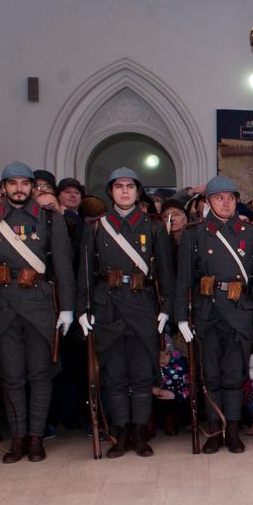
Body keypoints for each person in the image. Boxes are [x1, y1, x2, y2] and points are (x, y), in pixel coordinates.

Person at [0, 161, 76, 463]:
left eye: (24, 183)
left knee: (40, 375)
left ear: (33, 187)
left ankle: (36, 437)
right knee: (12, 376)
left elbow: (63, 267)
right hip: (3, 305)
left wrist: (67, 308)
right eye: (12, 183)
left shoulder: (49, 219)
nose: (19, 189)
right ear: (3, 188)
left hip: (40, 304)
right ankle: (17, 437)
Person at [77, 167, 174, 457]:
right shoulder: (96, 226)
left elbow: (166, 272)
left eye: (130, 186)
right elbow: (84, 272)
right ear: (110, 192)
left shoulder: (154, 226)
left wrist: (166, 308)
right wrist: (84, 308)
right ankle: (120, 433)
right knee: (116, 374)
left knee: (143, 375)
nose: (124, 191)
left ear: (137, 191)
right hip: (108, 307)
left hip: (143, 306)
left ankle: (139, 433)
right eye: (118, 186)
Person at [175, 175, 253, 454]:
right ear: (208, 202)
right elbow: (184, 279)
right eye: (219, 198)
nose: (226, 203)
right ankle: (215, 430)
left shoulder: (250, 233)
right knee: (212, 375)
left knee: (234, 375)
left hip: (240, 312)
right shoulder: (195, 234)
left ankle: (233, 431)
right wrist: (181, 316)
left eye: (230, 198)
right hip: (208, 311)